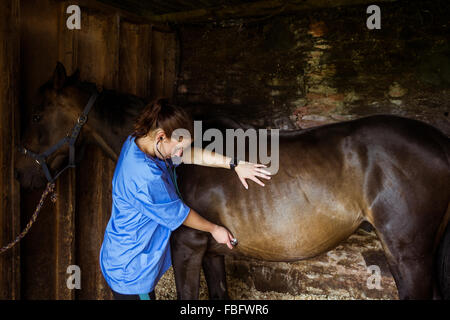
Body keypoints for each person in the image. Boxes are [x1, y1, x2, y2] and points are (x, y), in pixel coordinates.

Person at [99, 98, 271, 300]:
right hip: (132, 269)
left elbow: (190, 155)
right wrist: (215, 229)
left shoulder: (140, 141)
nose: (180, 154)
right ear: (161, 137)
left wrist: (234, 164)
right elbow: (181, 215)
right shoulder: (144, 177)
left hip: (123, 252)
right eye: (179, 147)